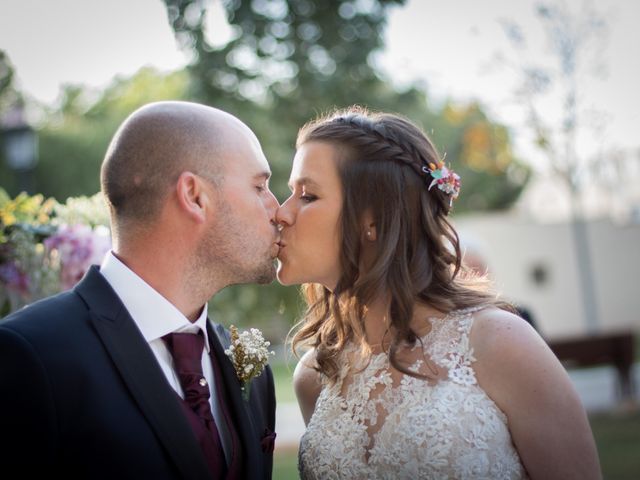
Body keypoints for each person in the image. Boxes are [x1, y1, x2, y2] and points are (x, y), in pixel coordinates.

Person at [276, 107, 601, 479]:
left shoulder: (499, 343)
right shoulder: (316, 375)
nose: (280, 214)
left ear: (373, 219)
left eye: (307, 195)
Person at [0, 101, 278, 479]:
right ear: (194, 196)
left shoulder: (252, 373)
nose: (277, 210)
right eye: (259, 186)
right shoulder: (30, 356)